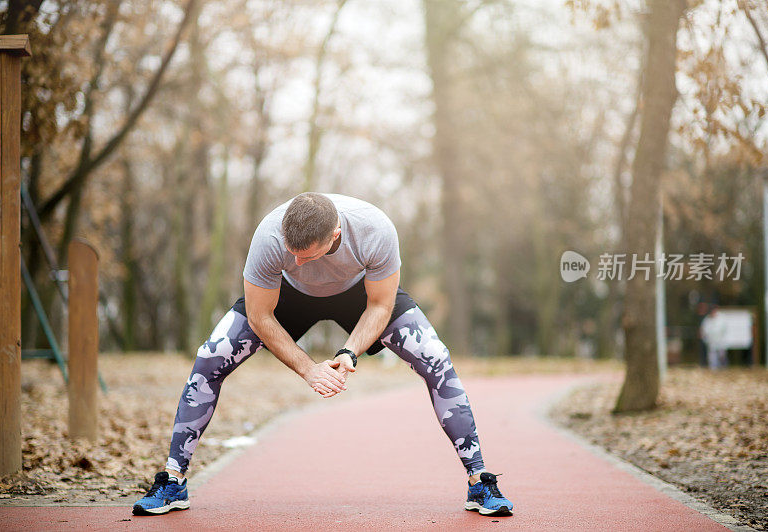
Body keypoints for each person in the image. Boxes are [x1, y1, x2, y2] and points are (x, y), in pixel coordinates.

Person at [132, 192, 513, 517]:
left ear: (335, 235)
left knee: (437, 359)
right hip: (289, 297)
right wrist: (306, 368)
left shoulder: (374, 229)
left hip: (359, 295)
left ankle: (479, 480)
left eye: (307, 256)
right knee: (209, 358)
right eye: (292, 253)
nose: (298, 261)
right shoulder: (269, 235)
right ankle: (173, 479)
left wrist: (349, 352)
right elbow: (259, 314)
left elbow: (380, 306)